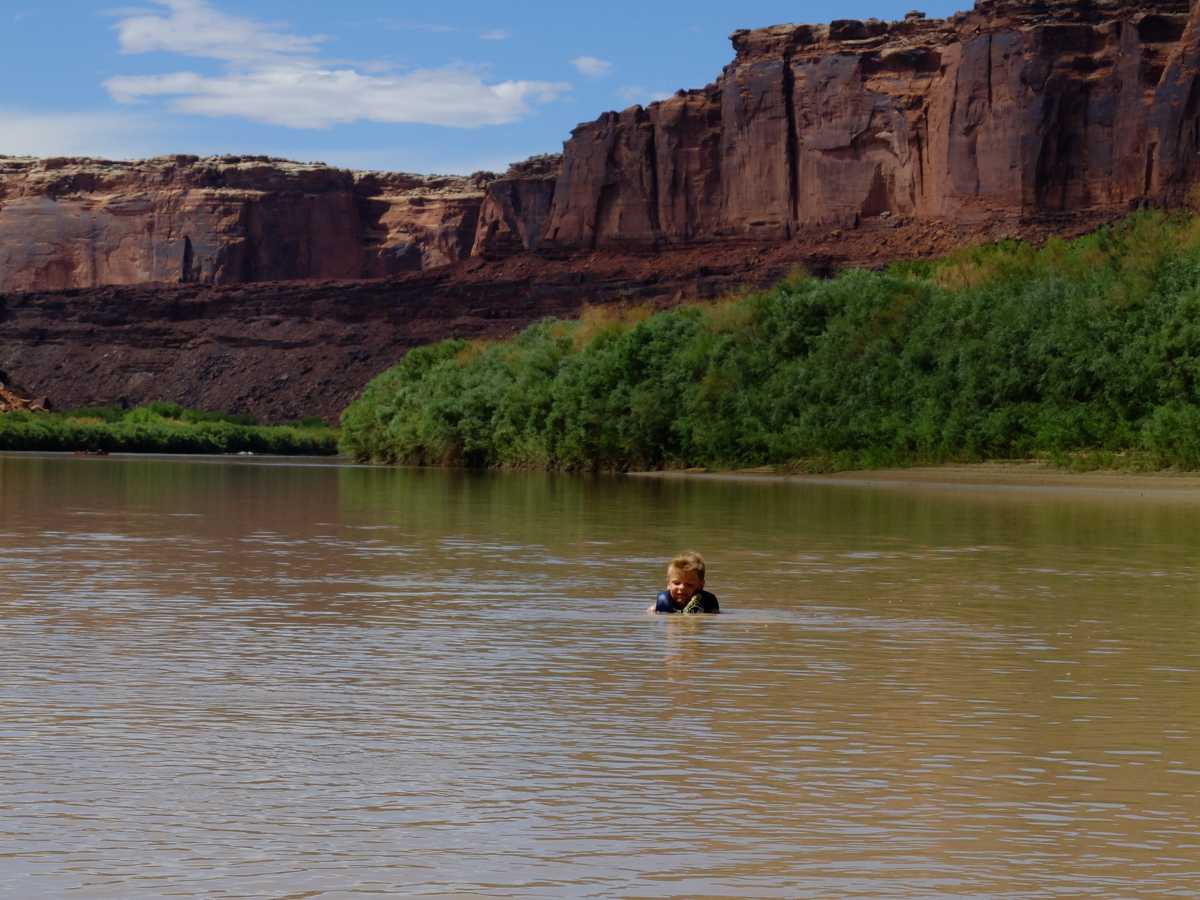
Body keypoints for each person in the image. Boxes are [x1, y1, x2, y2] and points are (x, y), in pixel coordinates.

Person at [649, 551, 720, 614]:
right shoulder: (660, 605)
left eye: (689, 584)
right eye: (676, 583)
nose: (682, 587)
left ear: (701, 585)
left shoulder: (708, 604)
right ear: (668, 584)